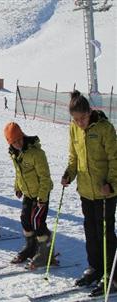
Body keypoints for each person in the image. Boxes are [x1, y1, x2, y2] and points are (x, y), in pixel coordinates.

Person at [61, 90, 117, 296]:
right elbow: (73, 158)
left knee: (106, 234)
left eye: (82, 118)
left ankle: (113, 274)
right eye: (75, 119)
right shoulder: (74, 129)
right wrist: (69, 174)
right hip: (86, 190)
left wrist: (110, 184)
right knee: (90, 232)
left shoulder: (104, 128)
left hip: (105, 192)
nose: (80, 123)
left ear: (90, 112)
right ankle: (96, 268)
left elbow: (114, 159)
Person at [4, 122, 54, 268]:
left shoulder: (36, 153)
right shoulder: (15, 153)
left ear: (23, 135)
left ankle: (45, 250)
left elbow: (45, 177)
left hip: (40, 193)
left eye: (19, 139)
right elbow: (18, 173)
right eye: (14, 142)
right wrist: (17, 187)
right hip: (28, 193)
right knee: (25, 219)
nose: (18, 143)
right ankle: (31, 247)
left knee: (37, 221)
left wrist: (43, 197)